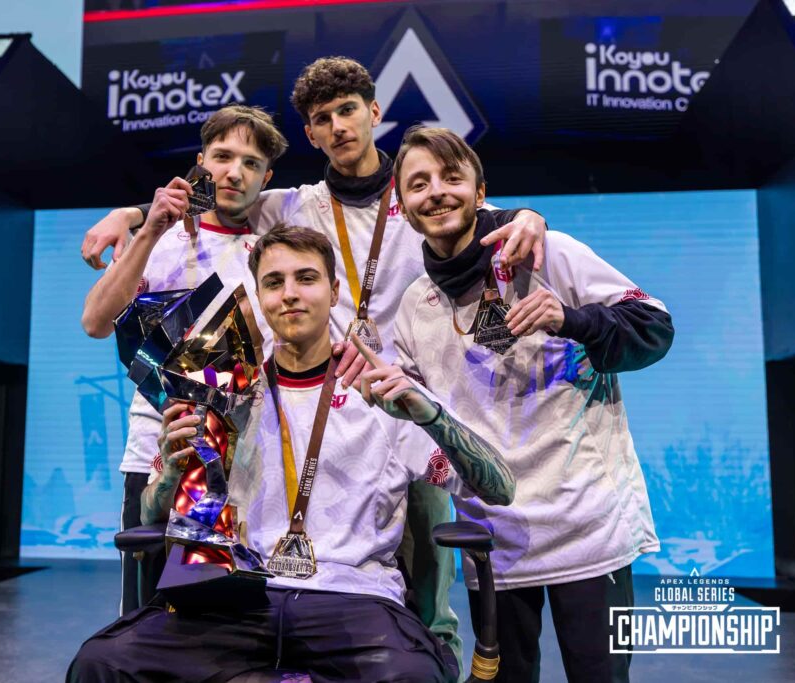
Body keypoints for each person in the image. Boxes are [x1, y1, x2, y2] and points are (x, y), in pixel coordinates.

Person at [80, 56, 549, 661]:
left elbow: (466, 211)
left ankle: (429, 655)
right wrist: (134, 215)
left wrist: (527, 216)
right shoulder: (290, 207)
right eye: (322, 119)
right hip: (216, 419)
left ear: (374, 111)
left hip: (381, 402)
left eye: (348, 111)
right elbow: (216, 200)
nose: (338, 127)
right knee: (167, 611)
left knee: (425, 590)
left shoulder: (413, 197)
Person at [68, 225, 516, 683]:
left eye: (306, 278)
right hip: (239, 601)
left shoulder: (382, 393)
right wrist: (169, 474)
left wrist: (430, 415)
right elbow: (151, 515)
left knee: (411, 676)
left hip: (353, 599)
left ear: (334, 291)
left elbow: (500, 489)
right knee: (101, 663)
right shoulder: (222, 394)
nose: (290, 294)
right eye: (274, 282)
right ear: (259, 297)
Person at [383, 124, 674, 683]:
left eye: (451, 177)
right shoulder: (415, 305)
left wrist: (573, 320)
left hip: (588, 526)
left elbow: (655, 328)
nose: (436, 192)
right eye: (418, 184)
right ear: (404, 206)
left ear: (480, 190)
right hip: (494, 538)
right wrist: (451, 471)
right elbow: (410, 422)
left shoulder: (549, 254)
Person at [81, 105, 288, 613]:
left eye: (251, 163)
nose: (234, 172)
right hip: (156, 458)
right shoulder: (160, 239)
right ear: (200, 162)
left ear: (267, 178)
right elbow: (95, 321)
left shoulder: (276, 248)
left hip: (246, 465)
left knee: (233, 618)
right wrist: (144, 224)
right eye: (222, 157)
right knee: (146, 618)